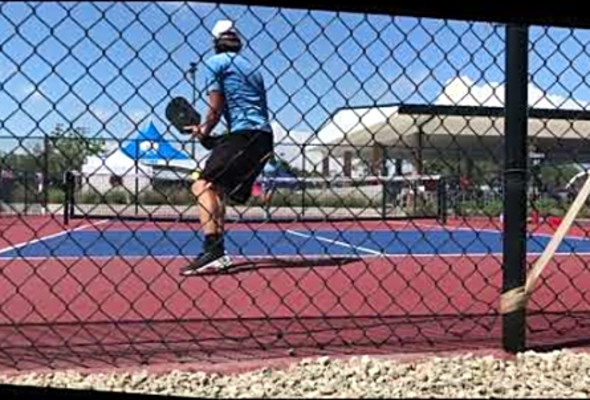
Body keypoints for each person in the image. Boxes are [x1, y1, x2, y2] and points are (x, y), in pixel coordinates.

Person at [182, 20, 274, 275]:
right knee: (218, 188)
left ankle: (214, 250)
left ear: (215, 43)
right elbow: (249, 115)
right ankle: (217, 251)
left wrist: (204, 129)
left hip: (244, 135)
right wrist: (213, 139)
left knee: (202, 184)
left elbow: (216, 107)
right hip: (262, 137)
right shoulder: (252, 69)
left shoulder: (214, 64)